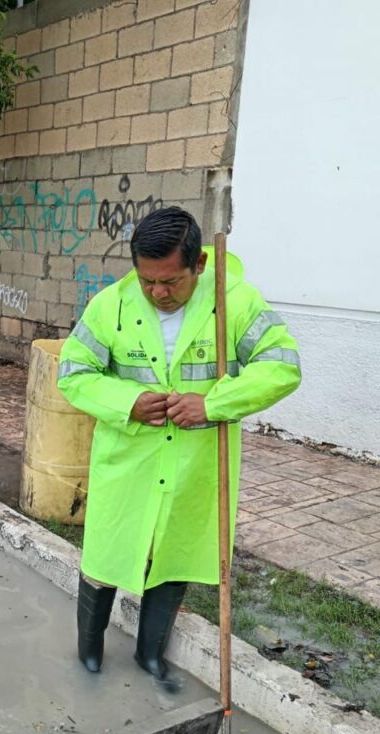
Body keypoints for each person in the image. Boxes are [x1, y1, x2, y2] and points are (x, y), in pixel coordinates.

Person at [57, 206, 301, 689]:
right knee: (106, 555)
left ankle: (151, 654)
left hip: (194, 464)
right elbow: (73, 372)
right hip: (129, 460)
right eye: (148, 281)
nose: (158, 294)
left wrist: (214, 403)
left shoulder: (233, 302)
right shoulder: (113, 305)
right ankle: (89, 649)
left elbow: (282, 365)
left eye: (171, 282)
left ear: (200, 266)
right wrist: (128, 401)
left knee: (174, 555)